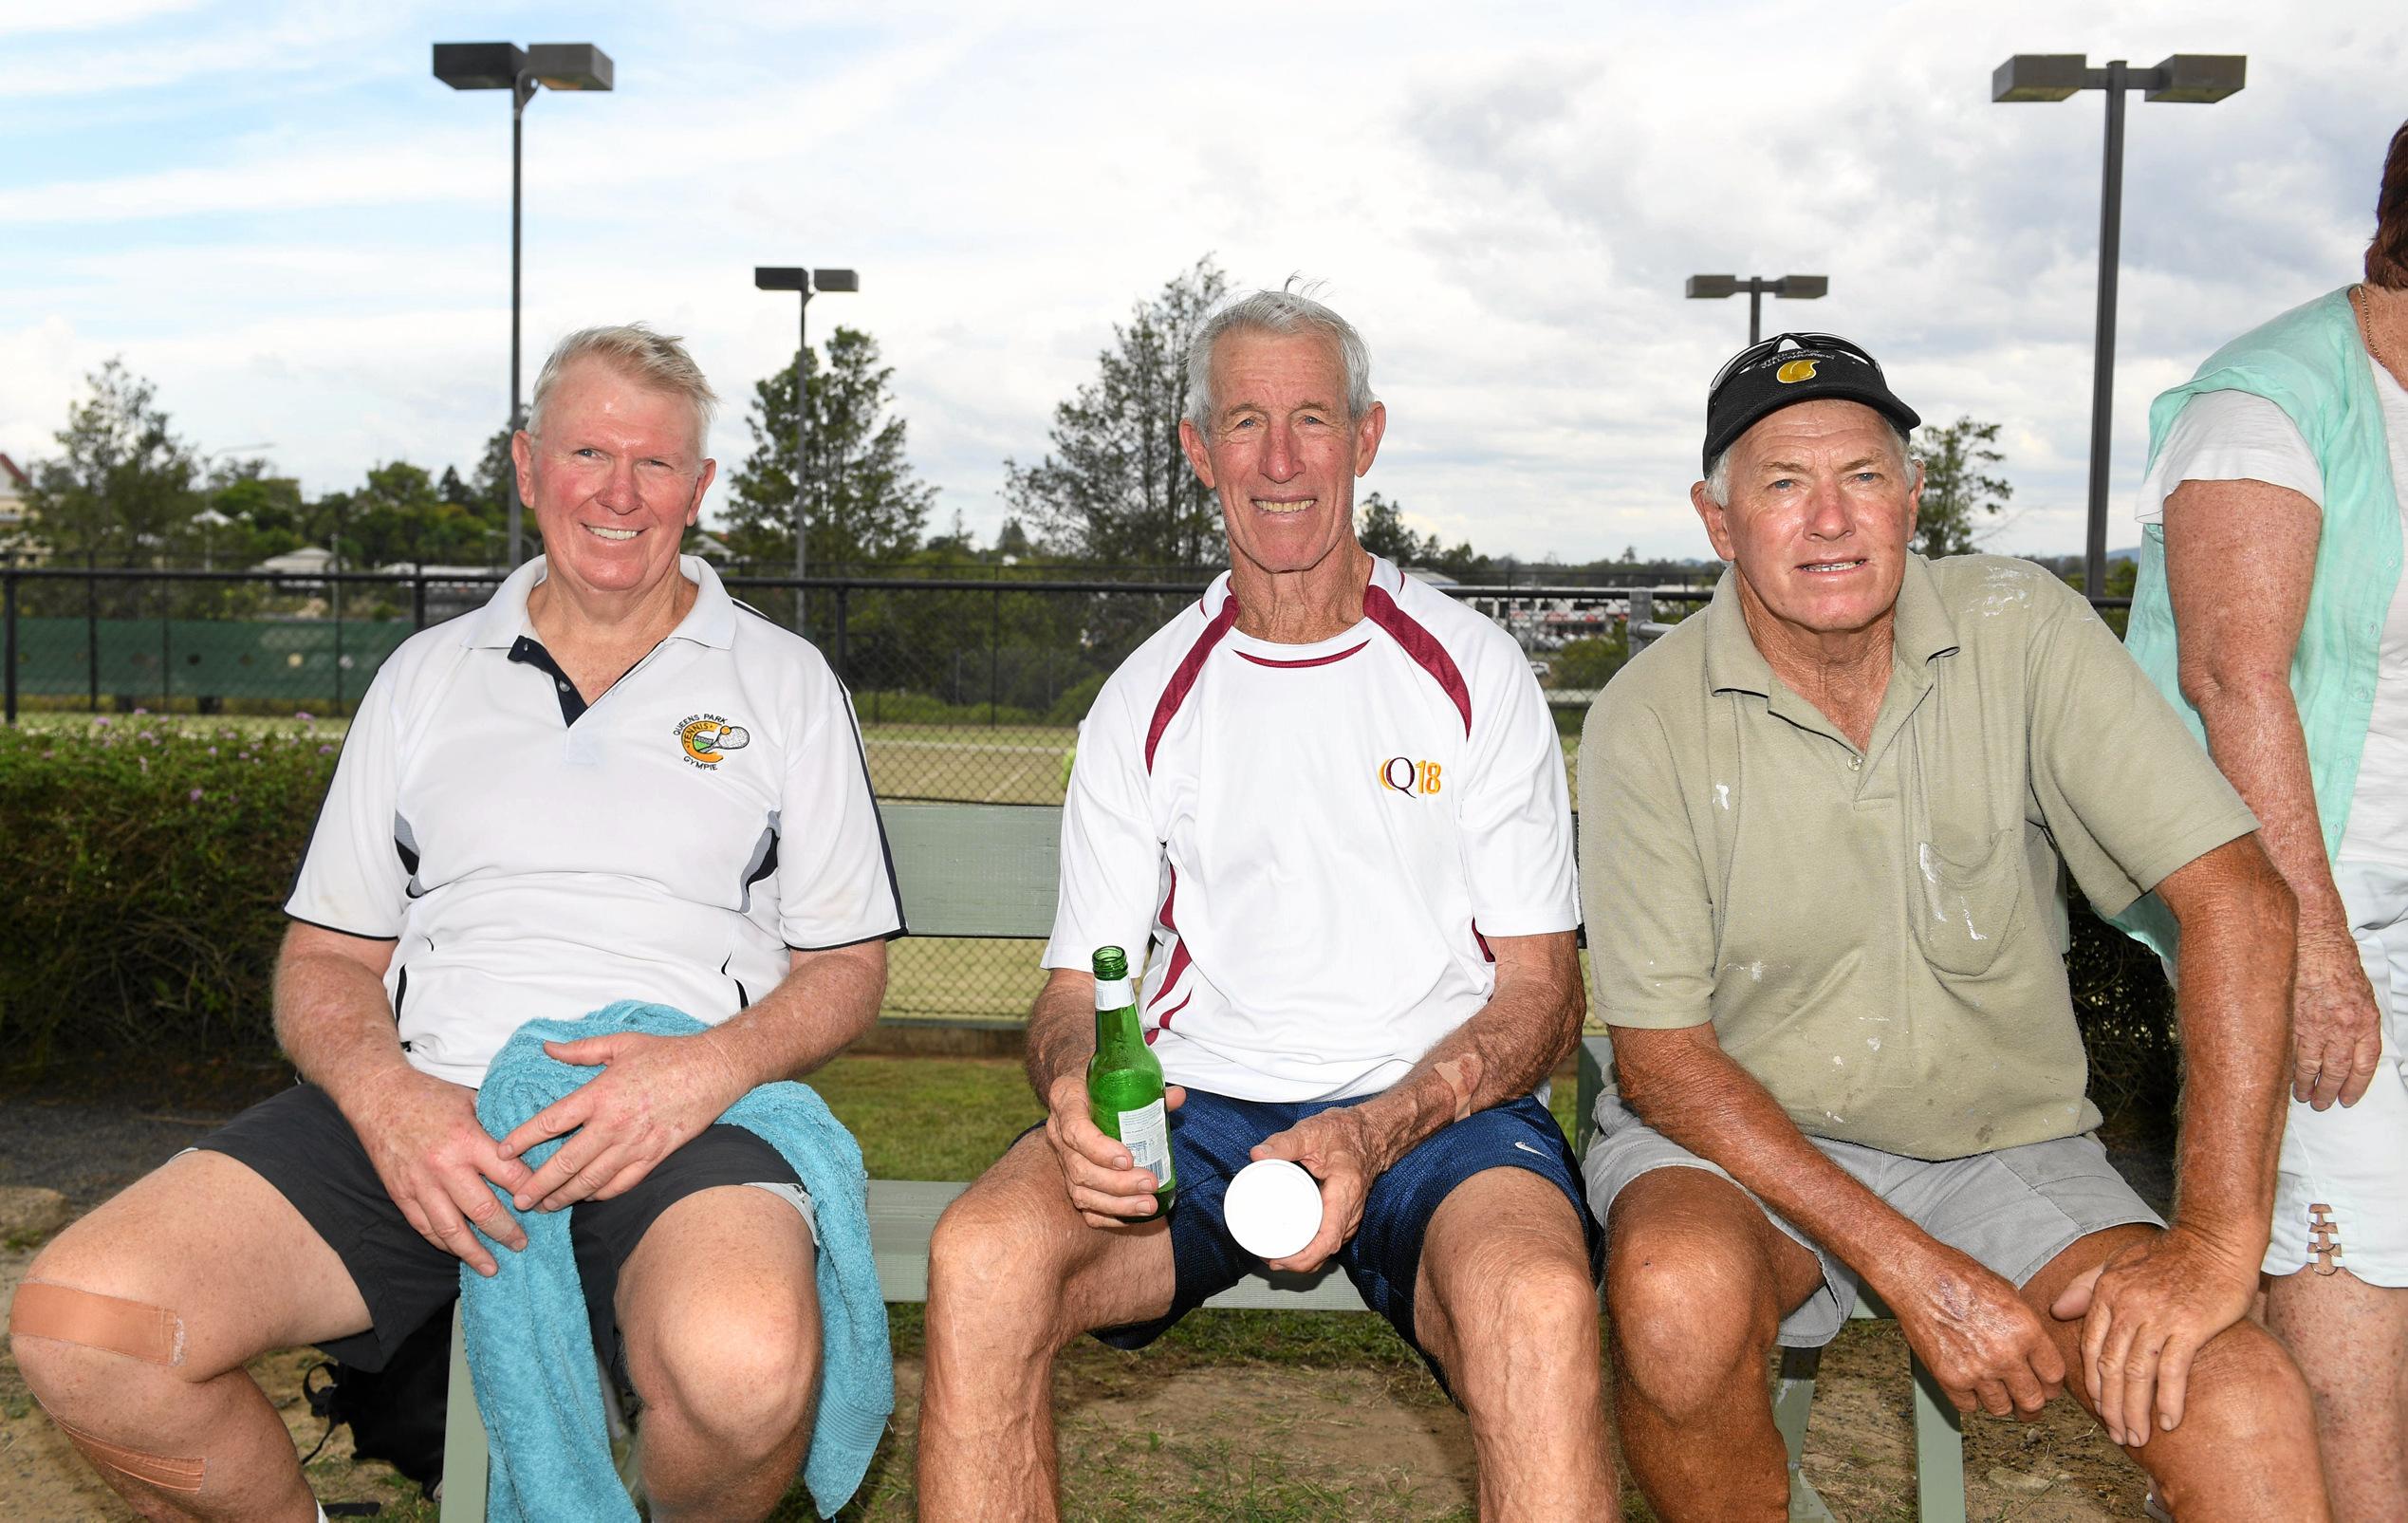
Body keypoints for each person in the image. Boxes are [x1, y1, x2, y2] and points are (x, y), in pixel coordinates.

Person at [8, 325, 903, 1523]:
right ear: (529, 467)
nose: (620, 492)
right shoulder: (425, 675)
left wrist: (702, 1074)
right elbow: (325, 958)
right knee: (84, 1327)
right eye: (589, 452)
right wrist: (387, 1104)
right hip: (430, 1109)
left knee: (744, 1372)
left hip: (677, 1116)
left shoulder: (785, 683)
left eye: (655, 463)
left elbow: (845, 967)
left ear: (700, 489)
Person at [1578, 331, 2328, 1522]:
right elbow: (1666, 1064)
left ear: (1913, 496)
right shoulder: (1648, 716)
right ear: (1717, 522)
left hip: (2002, 1144)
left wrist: (2215, 1243)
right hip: (1743, 1148)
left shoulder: (2019, 626)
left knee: (2235, 1394)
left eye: (1864, 476)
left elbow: (2240, 897)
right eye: (1782, 484)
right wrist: (1915, 1271)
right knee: (1675, 1294)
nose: (1830, 519)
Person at [916, 288, 1616, 1518]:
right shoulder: (1146, 697)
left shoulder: (1468, 670)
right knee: (982, 1259)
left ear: (1366, 436)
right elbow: (1078, 990)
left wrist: (1376, 1128)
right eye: (1245, 421)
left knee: (1538, 1306)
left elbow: (1539, 997)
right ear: (1197, 449)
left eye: (1310, 419)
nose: (1280, 461)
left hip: (1435, 1108)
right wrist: (1074, 1084)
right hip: (1199, 1109)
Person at [2112, 119, 2408, 1520]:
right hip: (2307, 884)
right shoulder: (2269, 404)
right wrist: (2313, 959)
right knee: (2353, 1296)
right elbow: (2234, 683)